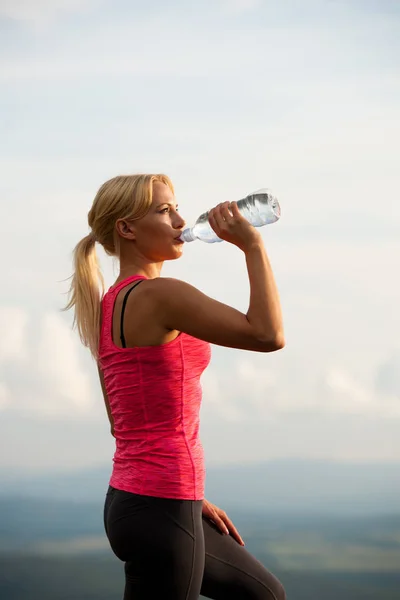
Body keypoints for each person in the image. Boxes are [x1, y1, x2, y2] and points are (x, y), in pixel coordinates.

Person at [64, 173, 286, 600]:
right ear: (126, 229)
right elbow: (267, 335)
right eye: (165, 210)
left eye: (177, 207)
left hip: (142, 499)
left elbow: (122, 422)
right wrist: (253, 245)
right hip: (159, 503)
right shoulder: (158, 295)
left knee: (264, 594)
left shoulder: (109, 304)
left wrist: (189, 496)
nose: (181, 219)